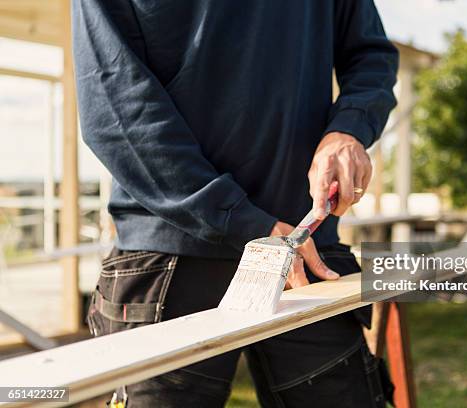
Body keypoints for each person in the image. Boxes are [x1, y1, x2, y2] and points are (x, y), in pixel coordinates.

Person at [72, 0, 398, 407]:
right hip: (173, 256)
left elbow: (371, 56)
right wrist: (243, 221)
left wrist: (348, 129)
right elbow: (113, 104)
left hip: (306, 251)